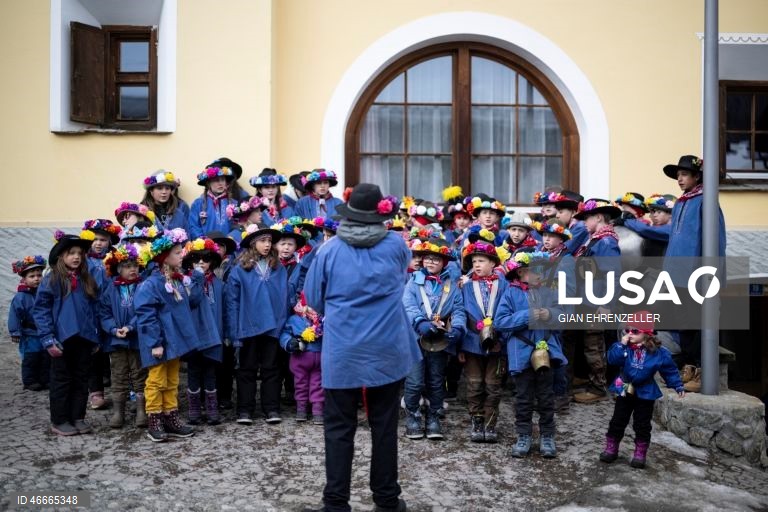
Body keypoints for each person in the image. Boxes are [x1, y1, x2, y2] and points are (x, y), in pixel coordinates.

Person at [303, 184, 420, 512]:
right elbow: (401, 280)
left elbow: (313, 298)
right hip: (388, 348)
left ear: (349, 212)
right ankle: (386, 499)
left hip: (343, 350)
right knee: (385, 426)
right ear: (380, 214)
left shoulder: (329, 250)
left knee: (339, 429)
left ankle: (336, 502)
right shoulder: (396, 245)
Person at [495, 250, 566, 458]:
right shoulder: (510, 293)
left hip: (547, 351)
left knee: (546, 397)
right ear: (520, 273)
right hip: (520, 352)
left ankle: (547, 436)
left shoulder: (551, 292)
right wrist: (527, 316)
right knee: (523, 398)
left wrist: (550, 314)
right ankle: (523, 435)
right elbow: (500, 322)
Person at [134, 228, 201, 442]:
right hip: (160, 342)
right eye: (178, 252)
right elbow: (146, 315)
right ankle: (154, 418)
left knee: (172, 380)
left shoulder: (177, 280)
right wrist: (155, 342)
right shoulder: (151, 284)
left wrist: (195, 279)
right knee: (156, 380)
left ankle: (170, 415)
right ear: (164, 257)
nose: (182, 255)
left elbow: (189, 305)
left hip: (175, 341)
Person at [32, 232, 100, 436]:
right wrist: (47, 338)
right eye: (71, 253)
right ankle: (60, 419)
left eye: (80, 253)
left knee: (81, 379)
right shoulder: (51, 279)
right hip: (61, 339)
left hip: (84, 338)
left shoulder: (86, 279)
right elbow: (41, 310)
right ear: (61, 256)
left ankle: (77, 416)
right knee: (62, 379)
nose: (76, 257)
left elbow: (93, 309)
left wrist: (95, 336)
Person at [600, 312, 684, 469]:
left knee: (642, 423)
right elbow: (612, 359)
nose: (630, 334)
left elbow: (670, 370)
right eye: (628, 330)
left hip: (645, 389)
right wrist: (622, 345)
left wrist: (677, 385)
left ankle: (640, 452)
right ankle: (611, 447)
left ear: (647, 334)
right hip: (624, 384)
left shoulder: (659, 352)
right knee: (618, 419)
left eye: (635, 331)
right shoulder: (623, 348)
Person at [225, 223, 289, 425]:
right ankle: (245, 410)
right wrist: (234, 331)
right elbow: (232, 302)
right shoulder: (239, 270)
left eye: (270, 241)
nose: (268, 244)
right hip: (248, 326)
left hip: (272, 326)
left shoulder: (278, 268)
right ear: (253, 243)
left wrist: (281, 326)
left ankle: (271, 408)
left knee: (272, 368)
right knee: (246, 368)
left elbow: (284, 298)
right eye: (263, 240)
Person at [402, 238, 465, 440]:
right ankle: (412, 416)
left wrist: (457, 328)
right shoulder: (413, 282)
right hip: (415, 339)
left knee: (437, 381)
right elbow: (408, 306)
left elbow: (458, 309)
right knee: (414, 382)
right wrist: (420, 322)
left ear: (444, 263)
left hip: (439, 341)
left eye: (436, 260)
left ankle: (434, 417)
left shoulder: (451, 286)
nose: (430, 263)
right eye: (427, 259)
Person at [571, 198, 622, 404]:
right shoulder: (594, 239)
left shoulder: (606, 242)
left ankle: (597, 387)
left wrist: (606, 304)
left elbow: (613, 276)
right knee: (587, 343)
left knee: (594, 345)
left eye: (587, 217)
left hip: (597, 303)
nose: (584, 222)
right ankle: (586, 379)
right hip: (587, 300)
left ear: (599, 217)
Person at [458, 241, 508, 443]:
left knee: (493, 385)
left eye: (481, 261)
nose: (477, 265)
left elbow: (509, 310)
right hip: (471, 343)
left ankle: (490, 422)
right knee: (474, 384)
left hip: (497, 342)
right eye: (474, 261)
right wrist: (459, 346)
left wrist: (502, 336)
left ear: (493, 263)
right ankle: (476, 420)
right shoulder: (466, 286)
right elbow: (459, 313)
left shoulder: (504, 285)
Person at [100, 243, 148, 428]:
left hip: (137, 339)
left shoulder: (143, 286)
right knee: (119, 375)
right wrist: (113, 329)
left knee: (139, 374)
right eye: (127, 266)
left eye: (135, 266)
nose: (132, 269)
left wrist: (131, 327)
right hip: (116, 341)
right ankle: (119, 412)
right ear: (119, 269)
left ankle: (141, 410)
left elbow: (145, 309)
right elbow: (104, 312)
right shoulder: (111, 288)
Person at [181, 237, 226, 426]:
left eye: (206, 259)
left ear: (212, 262)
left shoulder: (219, 284)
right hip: (195, 336)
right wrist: (198, 278)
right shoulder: (187, 282)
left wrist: (226, 334)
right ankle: (194, 409)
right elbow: (193, 300)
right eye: (196, 259)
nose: (201, 263)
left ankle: (212, 408)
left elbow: (225, 310)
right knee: (193, 371)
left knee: (210, 372)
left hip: (214, 335)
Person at [80, 218, 121, 409]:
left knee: (116, 350)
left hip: (113, 310)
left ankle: (122, 389)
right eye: (95, 239)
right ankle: (96, 392)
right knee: (94, 351)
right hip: (91, 312)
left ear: (110, 241)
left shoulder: (116, 260)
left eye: (103, 239)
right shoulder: (83, 261)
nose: (98, 243)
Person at [280, 292, 324, 424]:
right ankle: (301, 408)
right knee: (300, 384)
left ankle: (318, 409)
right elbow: (285, 334)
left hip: (319, 357)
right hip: (300, 358)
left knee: (318, 385)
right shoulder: (294, 319)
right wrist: (289, 342)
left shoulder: (322, 319)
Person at [9, 255, 49, 391]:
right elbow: (14, 315)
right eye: (32, 276)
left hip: (45, 331)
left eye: (39, 275)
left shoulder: (45, 293)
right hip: (30, 333)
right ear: (24, 279)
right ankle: (30, 380)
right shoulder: (20, 297)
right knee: (31, 357)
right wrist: (15, 331)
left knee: (45, 357)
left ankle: (45, 379)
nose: (37, 278)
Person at [189, 164, 238, 238]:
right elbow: (193, 227)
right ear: (208, 183)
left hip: (228, 246)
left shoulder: (234, 204)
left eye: (222, 180)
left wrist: (230, 241)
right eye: (216, 180)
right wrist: (205, 242)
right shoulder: (198, 204)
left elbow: (239, 226)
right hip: (207, 247)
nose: (220, 183)